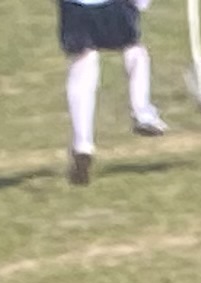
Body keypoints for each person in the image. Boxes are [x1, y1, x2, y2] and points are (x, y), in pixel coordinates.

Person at [58, 0, 163, 184]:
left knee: (82, 65)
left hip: (75, 7)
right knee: (135, 51)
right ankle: (143, 114)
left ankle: (82, 145)